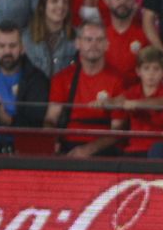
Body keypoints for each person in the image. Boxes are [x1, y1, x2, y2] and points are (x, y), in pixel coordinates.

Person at [43, 19, 127, 156]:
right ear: (78, 43)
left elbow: (117, 130)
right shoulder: (62, 78)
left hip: (103, 149)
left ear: (107, 45)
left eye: (99, 40)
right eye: (88, 39)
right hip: (67, 145)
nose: (94, 45)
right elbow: (51, 119)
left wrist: (89, 149)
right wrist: (51, 140)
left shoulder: (117, 80)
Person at [0, 21, 51, 154]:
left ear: (22, 48)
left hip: (24, 154)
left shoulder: (37, 79)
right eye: (2, 46)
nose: (7, 51)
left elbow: (37, 124)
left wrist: (9, 120)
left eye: (12, 45)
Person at [23, 0, 76, 78]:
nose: (61, 5)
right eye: (54, 1)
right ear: (42, 7)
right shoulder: (26, 38)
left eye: (65, 2)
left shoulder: (76, 37)